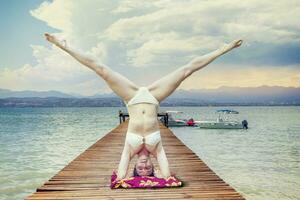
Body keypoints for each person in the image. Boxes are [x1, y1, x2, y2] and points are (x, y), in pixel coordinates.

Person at [44, 33, 242, 180]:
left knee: (101, 70)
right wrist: (156, 176)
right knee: (185, 71)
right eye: (148, 169)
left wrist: (131, 175)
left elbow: (121, 176)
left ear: (136, 165)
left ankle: (64, 46)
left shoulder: (130, 149)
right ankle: (224, 49)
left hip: (132, 97)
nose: (145, 166)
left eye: (141, 169)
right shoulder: (157, 150)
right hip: (154, 97)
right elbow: (166, 176)